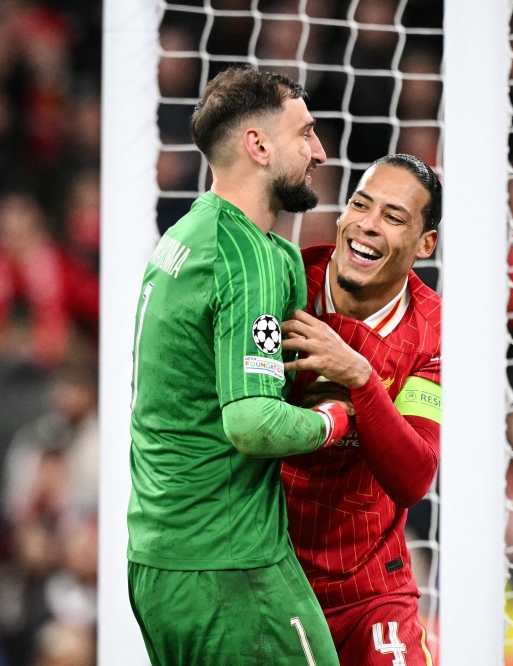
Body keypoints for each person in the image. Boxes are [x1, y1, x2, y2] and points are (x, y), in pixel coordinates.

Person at [126, 66, 346, 666]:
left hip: (163, 555)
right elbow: (251, 422)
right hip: (226, 565)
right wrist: (337, 419)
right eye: (305, 133)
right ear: (258, 144)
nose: (319, 151)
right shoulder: (242, 257)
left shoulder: (188, 234)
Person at [279, 154, 442, 665]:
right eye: (360, 204)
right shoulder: (286, 286)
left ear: (424, 244)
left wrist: (360, 378)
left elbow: (414, 475)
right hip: (268, 574)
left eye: (394, 217)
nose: (367, 225)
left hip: (369, 589)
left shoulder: (432, 332)